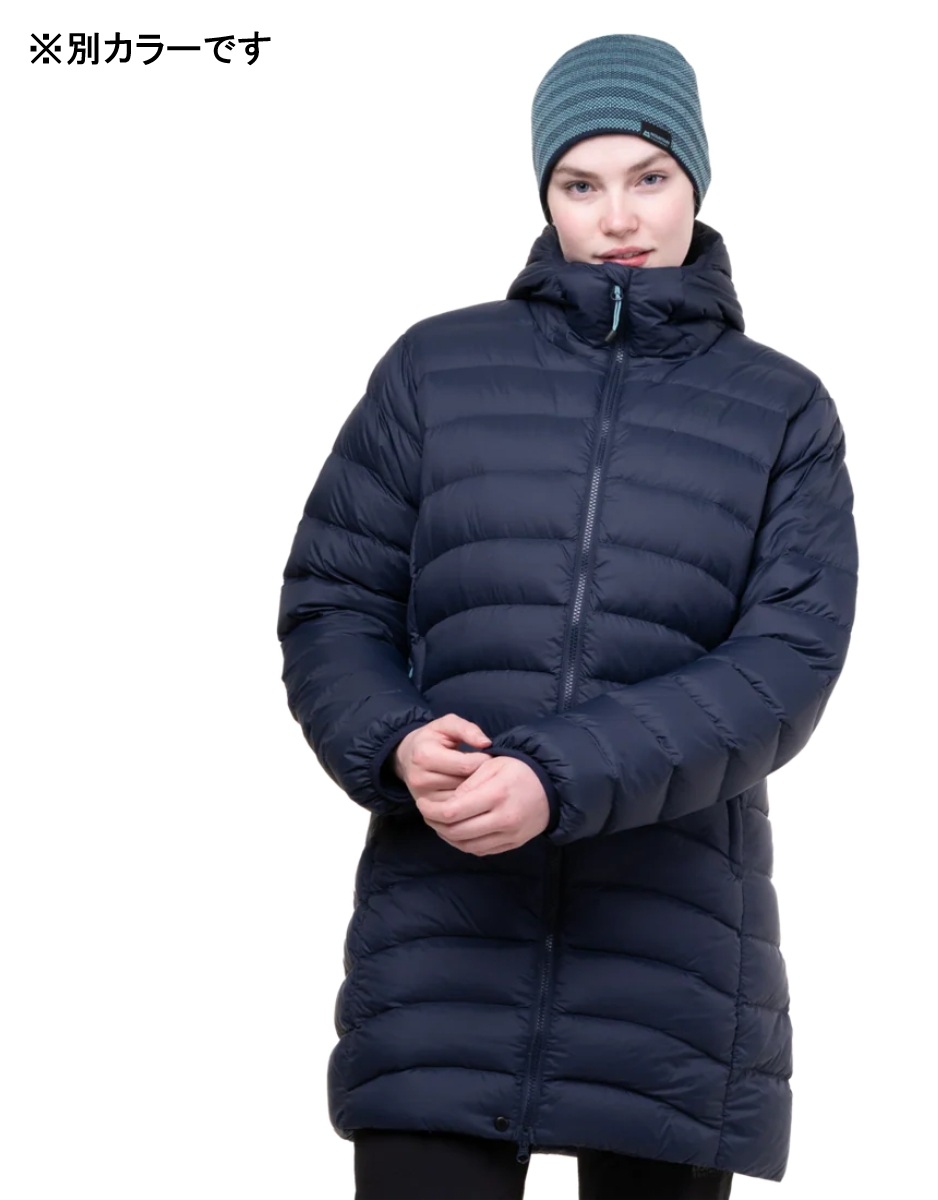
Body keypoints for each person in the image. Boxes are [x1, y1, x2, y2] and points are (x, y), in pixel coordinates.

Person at [277, 32, 858, 1200]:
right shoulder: (436, 369)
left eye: (650, 177)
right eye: (581, 184)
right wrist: (393, 739)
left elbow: (786, 662)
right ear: (545, 195)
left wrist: (558, 774)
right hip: (444, 940)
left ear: (696, 180)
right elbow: (334, 598)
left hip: (675, 958)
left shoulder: (781, 409)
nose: (620, 218)